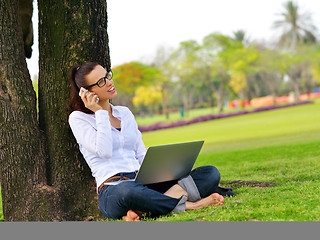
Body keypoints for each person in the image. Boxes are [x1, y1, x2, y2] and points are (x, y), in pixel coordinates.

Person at [67, 62, 224, 221]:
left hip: (143, 183)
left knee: (209, 173)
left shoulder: (124, 113)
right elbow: (104, 151)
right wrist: (99, 113)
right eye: (101, 82)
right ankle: (191, 205)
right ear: (87, 93)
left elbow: (141, 153)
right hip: (113, 190)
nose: (109, 82)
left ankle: (142, 209)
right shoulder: (78, 119)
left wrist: (159, 175)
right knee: (128, 191)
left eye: (107, 75)